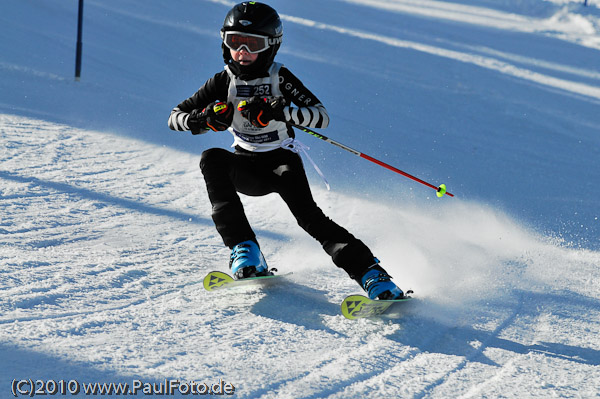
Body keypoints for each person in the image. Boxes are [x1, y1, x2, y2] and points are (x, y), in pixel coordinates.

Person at [168, 2, 404, 300]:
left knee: (311, 220)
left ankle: (374, 276)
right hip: (246, 164)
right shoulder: (223, 80)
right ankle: (245, 250)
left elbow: (321, 116)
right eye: (233, 42)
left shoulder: (280, 77)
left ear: (270, 47)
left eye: (251, 44)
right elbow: (174, 116)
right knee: (212, 158)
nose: (241, 51)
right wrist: (201, 119)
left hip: (282, 164)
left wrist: (281, 112)